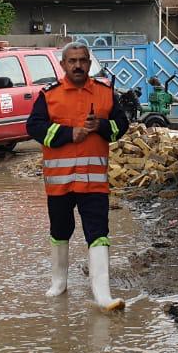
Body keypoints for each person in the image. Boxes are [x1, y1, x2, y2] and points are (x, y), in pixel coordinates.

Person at [26, 42, 130, 311]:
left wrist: (102, 126)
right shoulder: (49, 95)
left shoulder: (105, 92)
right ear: (63, 65)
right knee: (60, 231)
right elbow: (34, 127)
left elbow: (122, 125)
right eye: (72, 61)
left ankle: (103, 294)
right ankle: (59, 283)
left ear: (89, 64)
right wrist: (67, 134)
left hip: (94, 183)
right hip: (59, 182)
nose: (78, 65)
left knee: (98, 232)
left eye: (82, 60)